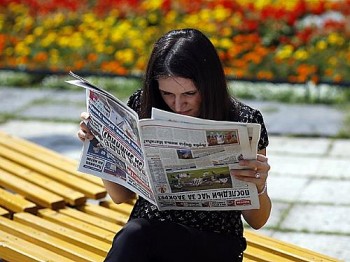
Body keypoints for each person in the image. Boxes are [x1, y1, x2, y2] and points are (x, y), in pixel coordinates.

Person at [78, 28, 271, 262]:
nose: (178, 105)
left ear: (209, 84)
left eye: (189, 93)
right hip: (150, 236)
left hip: (211, 244)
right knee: (136, 233)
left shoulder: (243, 120)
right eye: (167, 93)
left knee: (136, 235)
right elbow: (120, 196)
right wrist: (100, 141)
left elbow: (257, 221)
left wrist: (258, 187)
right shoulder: (143, 105)